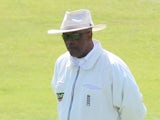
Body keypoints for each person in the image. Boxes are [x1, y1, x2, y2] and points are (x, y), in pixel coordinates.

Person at [48, 9, 147, 120]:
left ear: (89, 34)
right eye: (66, 36)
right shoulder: (61, 63)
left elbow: (134, 111)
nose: (70, 41)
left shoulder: (113, 67)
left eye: (75, 36)